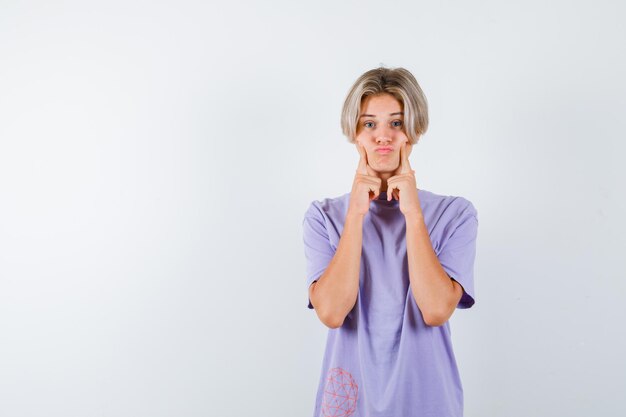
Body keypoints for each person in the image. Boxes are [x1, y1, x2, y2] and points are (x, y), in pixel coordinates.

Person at [302, 66, 479, 417]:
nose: (383, 136)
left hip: (428, 403)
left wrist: (413, 215)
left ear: (414, 130)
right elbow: (332, 312)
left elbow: (436, 310)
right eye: (370, 124)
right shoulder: (323, 216)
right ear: (355, 133)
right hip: (349, 404)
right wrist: (355, 214)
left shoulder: (455, 214)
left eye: (396, 123)